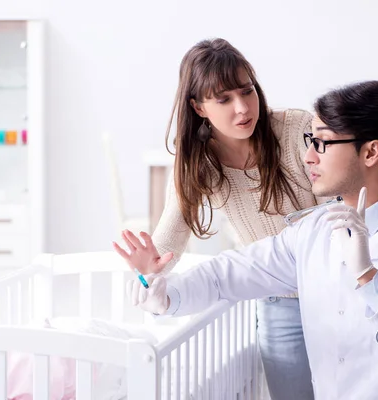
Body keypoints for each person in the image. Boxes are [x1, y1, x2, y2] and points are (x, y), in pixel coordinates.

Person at [124, 80, 378, 399]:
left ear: (371, 152)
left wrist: (369, 278)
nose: (308, 156)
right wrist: (166, 293)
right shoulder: (312, 232)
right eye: (311, 140)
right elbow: (226, 274)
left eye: (323, 143)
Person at [114, 38, 323, 399]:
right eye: (223, 99)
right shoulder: (199, 162)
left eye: (247, 91)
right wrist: (150, 269)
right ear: (198, 107)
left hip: (336, 290)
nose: (243, 108)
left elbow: (343, 208)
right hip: (279, 301)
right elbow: (170, 237)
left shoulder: (295, 129)